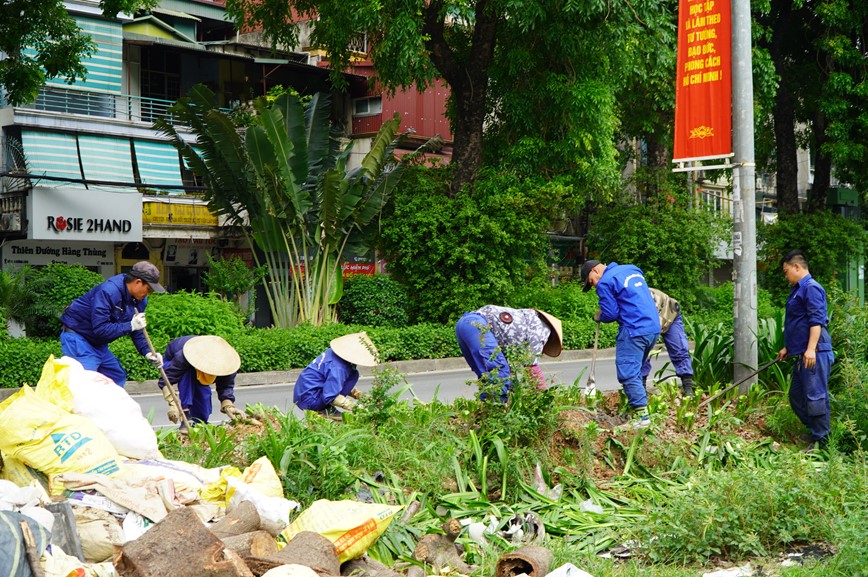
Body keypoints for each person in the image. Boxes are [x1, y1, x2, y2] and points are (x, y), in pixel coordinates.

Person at [60, 261, 166, 387]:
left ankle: (107, 407)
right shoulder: (108, 291)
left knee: (115, 376)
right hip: (78, 338)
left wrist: (148, 352)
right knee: (86, 381)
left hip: (98, 342)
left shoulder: (140, 300)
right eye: (148, 289)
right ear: (138, 282)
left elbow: (137, 328)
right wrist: (130, 325)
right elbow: (101, 329)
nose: (148, 294)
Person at [581, 259, 660, 427]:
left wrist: (599, 315)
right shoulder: (632, 270)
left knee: (628, 373)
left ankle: (642, 419)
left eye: (591, 282)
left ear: (595, 271)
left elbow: (610, 313)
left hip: (634, 329)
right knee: (636, 370)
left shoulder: (605, 282)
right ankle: (635, 411)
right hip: (652, 328)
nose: (594, 286)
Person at [775, 250, 834, 450]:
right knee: (797, 396)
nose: (786, 276)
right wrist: (787, 347)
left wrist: (810, 349)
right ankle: (815, 432)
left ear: (797, 267)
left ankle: (822, 441)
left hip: (815, 353)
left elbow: (816, 320)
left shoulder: (811, 288)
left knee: (815, 396)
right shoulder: (797, 289)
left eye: (786, 271)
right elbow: (797, 322)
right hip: (803, 352)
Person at [455, 306, 563, 400]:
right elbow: (532, 368)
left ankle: (487, 413)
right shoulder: (542, 330)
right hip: (477, 324)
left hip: (463, 324)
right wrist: (543, 399)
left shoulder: (527, 320)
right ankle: (498, 416)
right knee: (498, 372)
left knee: (487, 375)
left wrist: (515, 393)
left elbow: (509, 373)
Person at [157, 335, 243, 426]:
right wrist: (173, 404)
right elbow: (166, 379)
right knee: (188, 378)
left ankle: (200, 422)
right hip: (176, 360)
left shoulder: (228, 364)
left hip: (197, 370)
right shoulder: (183, 356)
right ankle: (186, 417)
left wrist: (228, 406)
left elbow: (226, 386)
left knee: (203, 401)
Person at [293, 332, 379, 416]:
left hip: (304, 392)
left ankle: (322, 411)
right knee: (344, 421)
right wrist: (356, 408)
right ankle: (320, 410)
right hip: (311, 398)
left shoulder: (334, 354)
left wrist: (360, 396)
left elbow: (337, 382)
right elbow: (330, 395)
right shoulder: (339, 367)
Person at [642, 288, 695, 397]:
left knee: (679, 350)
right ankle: (641, 389)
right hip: (653, 318)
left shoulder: (643, 300)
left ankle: (688, 389)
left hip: (670, 314)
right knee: (642, 351)